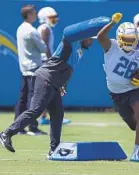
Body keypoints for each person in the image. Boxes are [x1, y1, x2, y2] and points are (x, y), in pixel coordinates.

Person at [0, 15, 110, 156]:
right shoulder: (71, 43)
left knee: (57, 115)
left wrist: (62, 84)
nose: (92, 42)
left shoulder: (79, 51)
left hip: (55, 83)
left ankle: (54, 149)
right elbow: (67, 34)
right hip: (45, 78)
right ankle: (6, 134)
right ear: (83, 37)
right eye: (90, 39)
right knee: (36, 110)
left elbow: (67, 69)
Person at [97, 13, 139, 155]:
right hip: (116, 93)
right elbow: (100, 37)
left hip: (134, 89)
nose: (129, 42)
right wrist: (112, 23)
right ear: (119, 38)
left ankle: (138, 150)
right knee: (134, 125)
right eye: (126, 39)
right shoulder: (112, 47)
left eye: (131, 39)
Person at [15, 4, 47, 136]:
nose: (36, 14)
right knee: (33, 99)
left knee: (23, 98)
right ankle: (32, 127)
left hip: (24, 67)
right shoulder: (32, 31)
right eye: (34, 13)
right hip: (34, 67)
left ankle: (18, 127)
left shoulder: (20, 28)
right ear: (28, 15)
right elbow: (43, 48)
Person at [37, 6, 71, 125]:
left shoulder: (45, 28)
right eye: (51, 18)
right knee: (51, 90)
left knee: (50, 92)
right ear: (44, 18)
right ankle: (49, 117)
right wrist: (52, 61)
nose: (54, 20)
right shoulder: (45, 28)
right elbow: (44, 47)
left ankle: (46, 117)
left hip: (45, 62)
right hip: (46, 63)